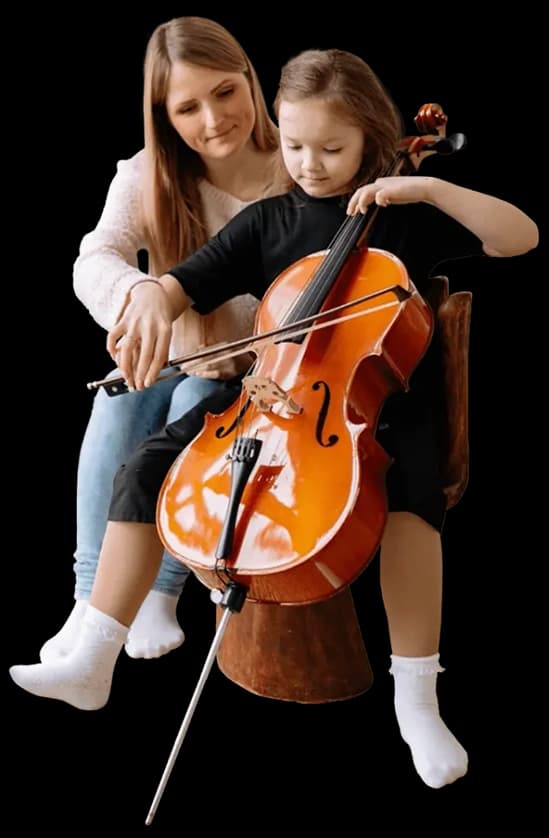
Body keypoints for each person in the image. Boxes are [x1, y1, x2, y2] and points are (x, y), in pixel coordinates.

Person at [10, 48, 538, 790]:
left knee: (412, 503)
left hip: (382, 410)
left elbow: (519, 236)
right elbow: (185, 282)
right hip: (273, 397)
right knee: (146, 464)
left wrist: (424, 186)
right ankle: (96, 654)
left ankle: (417, 700)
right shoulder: (270, 220)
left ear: (369, 138)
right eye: (293, 146)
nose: (310, 165)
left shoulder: (404, 218)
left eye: (331, 149)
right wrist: (152, 299)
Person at [39, 16, 279, 662]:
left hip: (258, 380)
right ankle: (89, 600)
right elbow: (95, 257)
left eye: (225, 92)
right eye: (187, 108)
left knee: (192, 400)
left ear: (250, 79)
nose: (214, 120)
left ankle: (160, 592)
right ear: (164, 117)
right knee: (118, 396)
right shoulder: (150, 173)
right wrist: (140, 292)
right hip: (176, 363)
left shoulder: (299, 166)